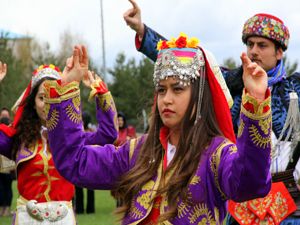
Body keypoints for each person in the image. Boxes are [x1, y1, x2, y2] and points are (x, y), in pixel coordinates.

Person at [44, 33, 272, 224]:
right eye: (161, 90)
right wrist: (66, 88)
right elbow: (75, 162)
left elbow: (250, 184)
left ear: (199, 96)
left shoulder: (217, 154)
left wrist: (256, 101)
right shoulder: (138, 152)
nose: (167, 99)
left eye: (178, 89)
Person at [124, 1, 300, 223]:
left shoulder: (296, 90)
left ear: (280, 52)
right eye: (250, 44)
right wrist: (142, 30)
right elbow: (182, 62)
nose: (254, 51)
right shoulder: (232, 84)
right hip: (241, 206)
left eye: (262, 45)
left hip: (290, 209)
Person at [0, 55, 118, 224]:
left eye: (51, 97)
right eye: (42, 98)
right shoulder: (18, 138)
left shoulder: (74, 139)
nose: (47, 103)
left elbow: (109, 134)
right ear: (33, 102)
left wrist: (100, 93)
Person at [74, 111, 95, 214]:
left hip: (86, 162)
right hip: (85, 162)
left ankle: (85, 209)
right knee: (83, 188)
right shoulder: (84, 133)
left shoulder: (86, 133)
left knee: (86, 188)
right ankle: (84, 209)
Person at [0, 107, 14, 217]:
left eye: (6, 115)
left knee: (8, 187)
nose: (4, 117)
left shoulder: (12, 128)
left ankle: (7, 209)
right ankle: (1, 209)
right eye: (3, 115)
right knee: (0, 188)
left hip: (8, 164)